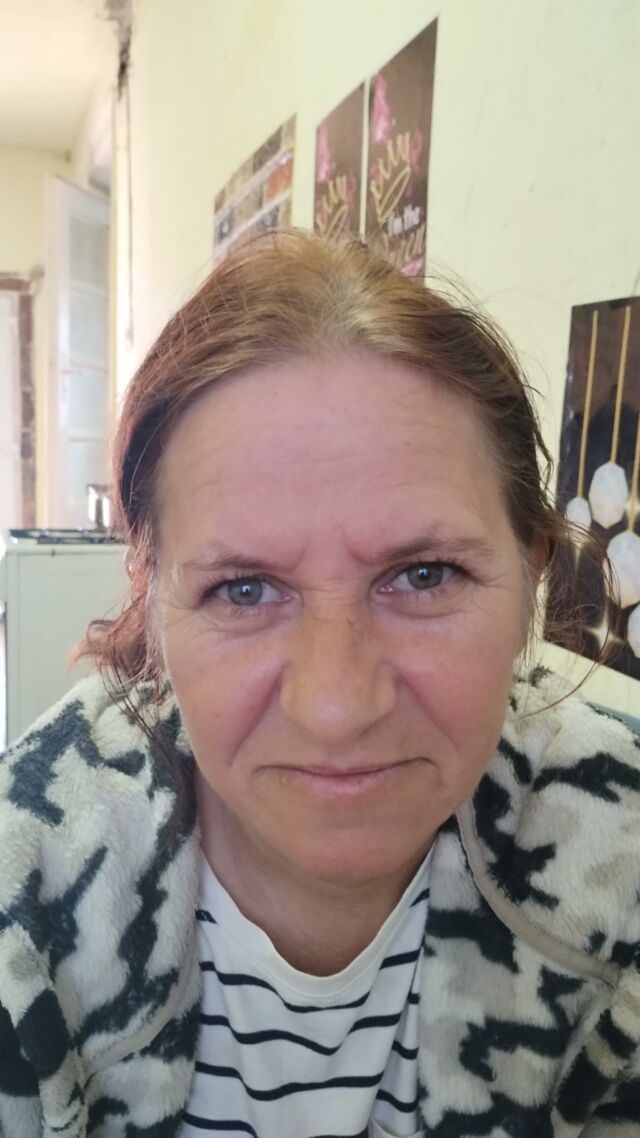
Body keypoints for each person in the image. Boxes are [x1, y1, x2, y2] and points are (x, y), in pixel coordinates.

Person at [1, 230, 639, 1138]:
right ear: (153, 597)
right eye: (243, 590)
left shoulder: (623, 865)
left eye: (424, 575)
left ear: (532, 571)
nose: (337, 708)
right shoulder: (24, 914)